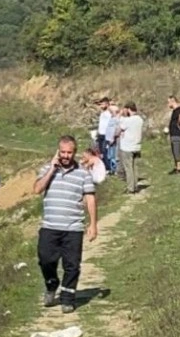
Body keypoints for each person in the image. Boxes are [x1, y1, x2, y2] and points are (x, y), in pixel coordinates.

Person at [33, 135, 98, 314]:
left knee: (72, 264)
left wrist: (93, 224)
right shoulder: (48, 169)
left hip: (73, 227)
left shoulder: (83, 173)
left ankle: (68, 298)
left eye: (69, 152)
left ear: (74, 153)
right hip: (50, 226)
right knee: (45, 259)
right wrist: (52, 169)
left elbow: (90, 199)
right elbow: (37, 189)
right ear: (57, 152)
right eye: (63, 152)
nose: (66, 156)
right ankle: (51, 284)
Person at [119, 102, 144, 194]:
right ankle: (135, 185)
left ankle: (130, 188)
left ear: (128, 109)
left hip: (127, 147)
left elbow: (121, 125)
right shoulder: (140, 119)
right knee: (135, 167)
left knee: (128, 168)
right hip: (137, 146)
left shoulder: (128, 120)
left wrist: (121, 114)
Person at [167, 95, 180, 174]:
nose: (168, 104)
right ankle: (176, 167)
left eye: (168, 102)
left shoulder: (179, 110)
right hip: (174, 134)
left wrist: (179, 124)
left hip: (177, 134)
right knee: (174, 150)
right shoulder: (175, 110)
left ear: (172, 101)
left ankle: (179, 168)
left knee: (176, 150)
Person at [94, 97, 112, 169]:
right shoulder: (102, 113)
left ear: (107, 104)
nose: (101, 106)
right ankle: (103, 165)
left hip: (106, 135)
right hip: (100, 134)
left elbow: (110, 125)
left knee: (105, 151)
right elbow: (101, 124)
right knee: (100, 151)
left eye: (102, 104)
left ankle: (108, 167)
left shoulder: (109, 114)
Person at [105, 105, 120, 175]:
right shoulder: (111, 118)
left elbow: (116, 129)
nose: (110, 113)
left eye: (111, 112)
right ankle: (111, 169)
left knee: (113, 155)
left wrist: (113, 138)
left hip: (112, 140)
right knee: (109, 155)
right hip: (108, 139)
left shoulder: (116, 119)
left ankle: (114, 169)